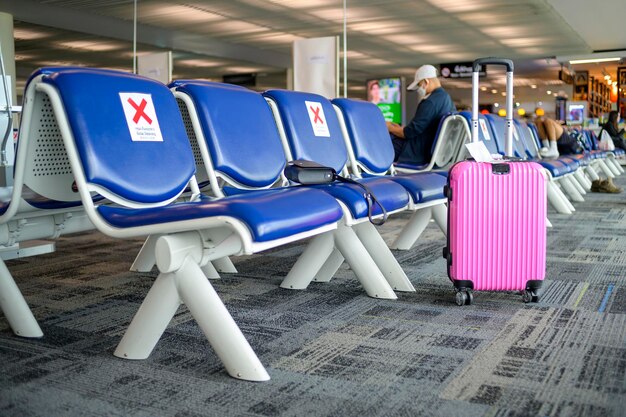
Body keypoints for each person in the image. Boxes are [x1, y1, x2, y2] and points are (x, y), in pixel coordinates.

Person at [386, 64, 455, 164]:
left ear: (426, 82)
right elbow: (421, 127)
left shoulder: (430, 102)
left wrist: (389, 127)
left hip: (416, 152)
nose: (419, 89)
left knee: (384, 143)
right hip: (432, 151)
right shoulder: (446, 98)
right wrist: (399, 128)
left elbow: (409, 132)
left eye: (419, 85)